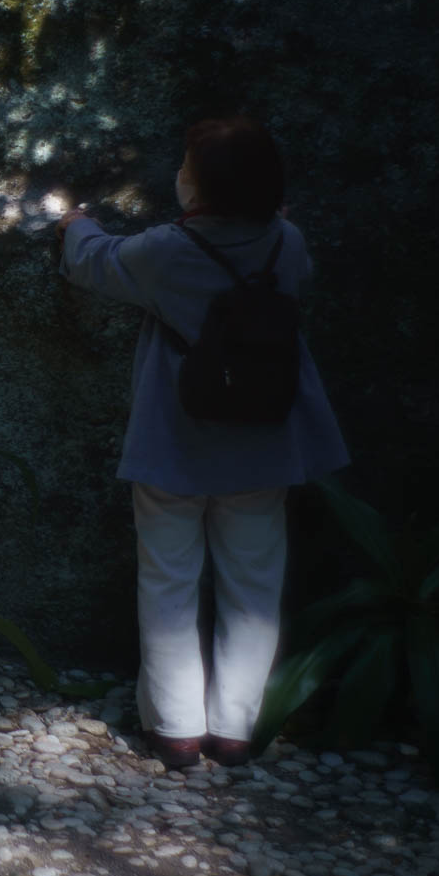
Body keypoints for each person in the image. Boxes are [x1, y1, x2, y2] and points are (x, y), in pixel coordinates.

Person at [57, 116, 349, 770]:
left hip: (177, 441)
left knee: (168, 578)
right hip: (265, 441)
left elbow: (93, 264)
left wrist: (75, 220)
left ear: (199, 183)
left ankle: (177, 728)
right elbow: (292, 272)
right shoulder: (287, 241)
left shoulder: (166, 250)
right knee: (254, 581)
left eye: (186, 166)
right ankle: (238, 728)